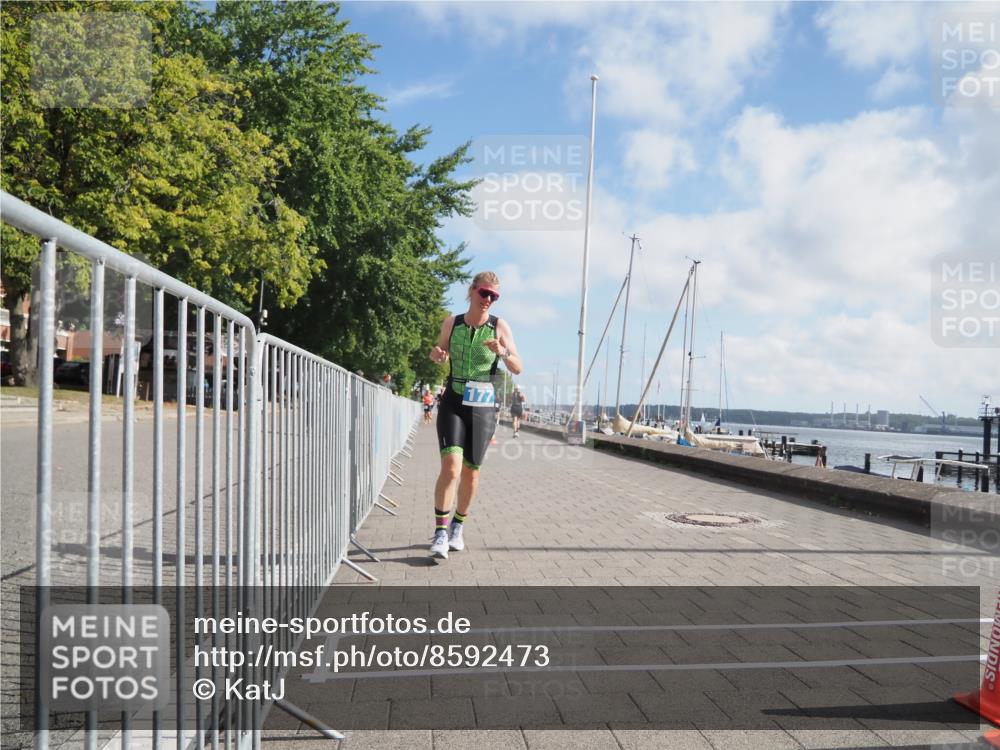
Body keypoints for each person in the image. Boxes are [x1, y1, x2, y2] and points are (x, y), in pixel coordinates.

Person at [428, 271, 522, 560]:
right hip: (454, 401)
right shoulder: (452, 323)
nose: (488, 300)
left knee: (471, 471)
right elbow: (439, 353)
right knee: (452, 468)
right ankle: (441, 532)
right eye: (484, 293)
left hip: (482, 407)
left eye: (494, 296)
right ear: (472, 291)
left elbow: (518, 367)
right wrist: (438, 355)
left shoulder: (498, 326)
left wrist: (503, 352)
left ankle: (458, 525)